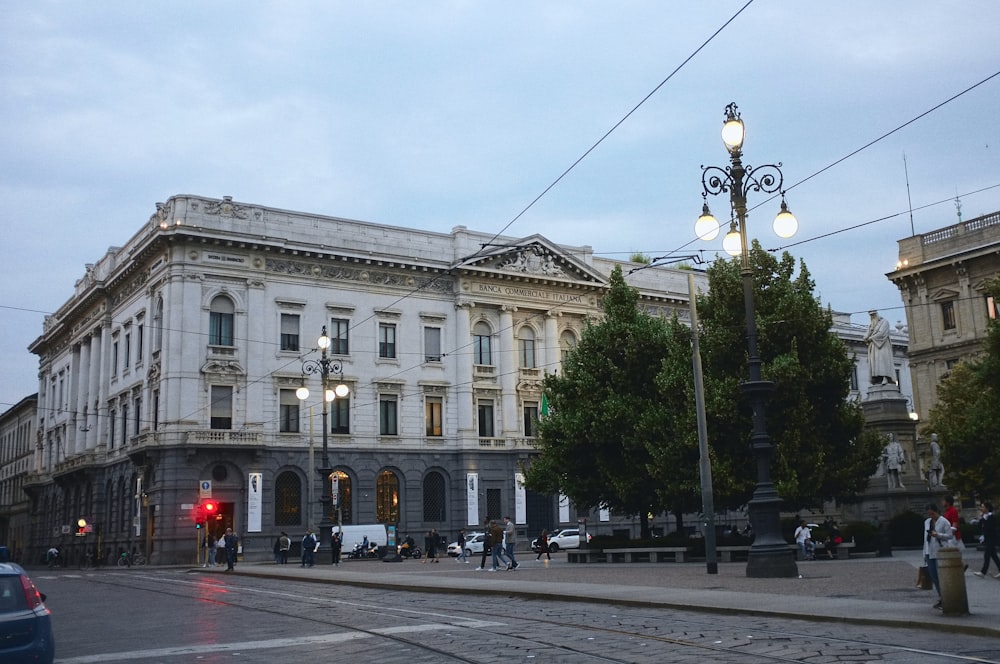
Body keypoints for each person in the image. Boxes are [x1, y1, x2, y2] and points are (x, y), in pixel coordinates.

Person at [923, 503, 954, 610]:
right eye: (929, 514)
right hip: (929, 551)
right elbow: (925, 539)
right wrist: (924, 553)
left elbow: (950, 535)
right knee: (934, 576)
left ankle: (947, 597)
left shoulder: (944, 521)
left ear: (936, 511)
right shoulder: (927, 522)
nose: (930, 516)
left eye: (932, 513)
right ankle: (941, 597)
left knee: (941, 576)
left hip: (940, 551)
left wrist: (938, 535)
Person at [864, 309, 895, 385]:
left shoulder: (884, 322)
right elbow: (866, 335)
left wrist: (871, 338)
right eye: (871, 315)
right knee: (875, 362)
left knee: (882, 361)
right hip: (873, 347)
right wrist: (866, 336)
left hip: (882, 346)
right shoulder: (871, 325)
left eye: (873, 315)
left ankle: (885, 377)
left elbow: (882, 334)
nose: (872, 317)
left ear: (876, 314)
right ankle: (877, 378)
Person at [973, 501, 1000, 578]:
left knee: (987, 555)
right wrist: (981, 519)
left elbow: (989, 528)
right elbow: (980, 526)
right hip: (987, 539)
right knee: (994, 555)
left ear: (987, 508)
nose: (982, 508)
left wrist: (983, 520)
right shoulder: (984, 517)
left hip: (992, 539)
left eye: (983, 507)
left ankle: (983, 572)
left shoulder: (992, 517)